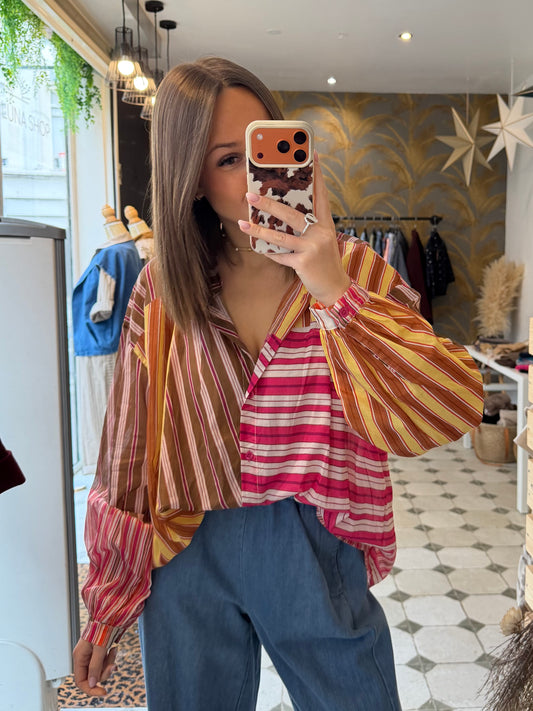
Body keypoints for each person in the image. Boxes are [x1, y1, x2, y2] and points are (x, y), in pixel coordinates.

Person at [73, 57, 484, 711]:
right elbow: (128, 444)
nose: (258, 177)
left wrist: (333, 290)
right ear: (192, 178)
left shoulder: (353, 268)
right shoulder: (163, 285)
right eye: (228, 160)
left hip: (314, 538)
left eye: (267, 149)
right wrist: (107, 596)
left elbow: (449, 406)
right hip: (187, 543)